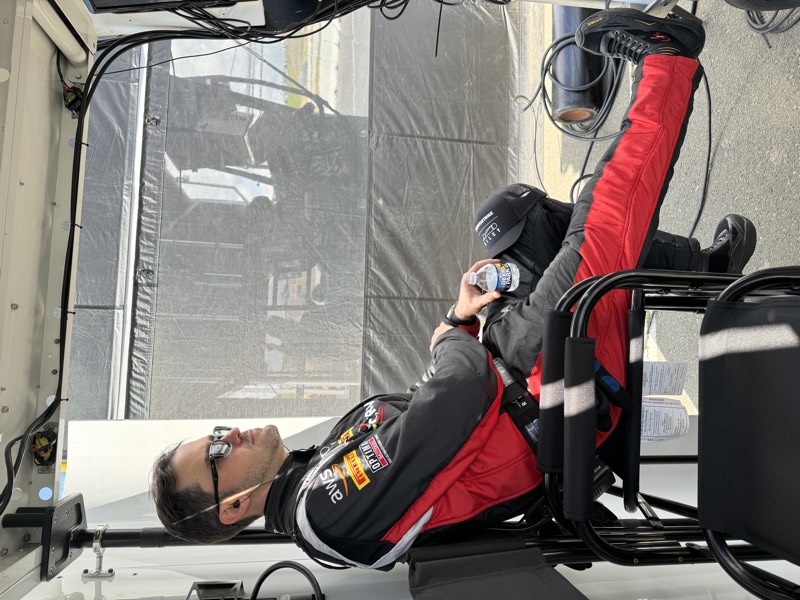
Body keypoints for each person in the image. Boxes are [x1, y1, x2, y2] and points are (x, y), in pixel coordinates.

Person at [151, 9, 757, 569]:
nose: (230, 433)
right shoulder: (324, 509)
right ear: (228, 508)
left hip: (520, 377)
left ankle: (705, 270)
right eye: (216, 454)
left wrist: (460, 316)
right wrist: (449, 338)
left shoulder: (317, 478)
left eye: (216, 433)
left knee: (519, 220)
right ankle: (668, 60)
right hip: (550, 393)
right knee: (600, 217)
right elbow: (461, 391)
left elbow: (442, 412)